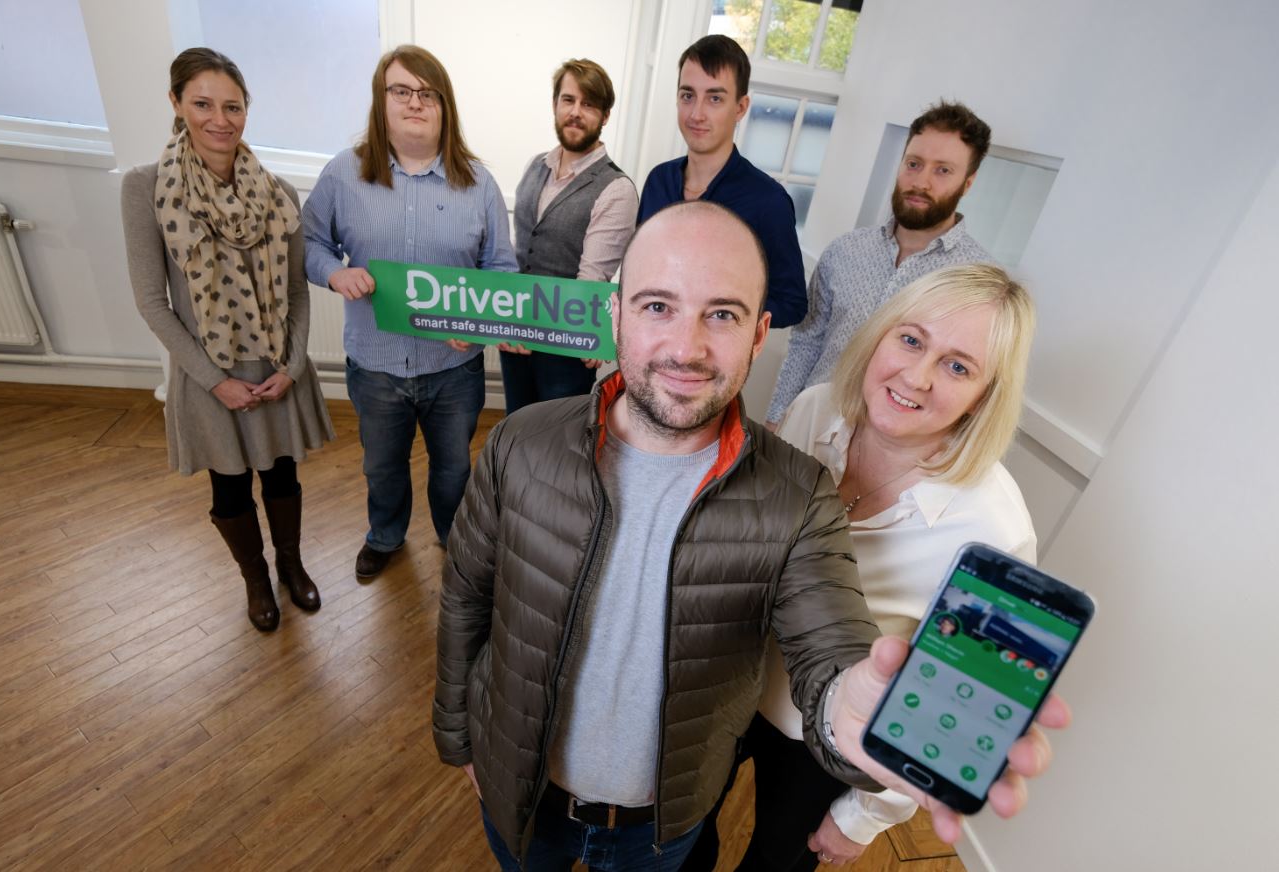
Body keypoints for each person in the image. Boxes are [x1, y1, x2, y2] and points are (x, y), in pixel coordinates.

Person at [432, 205, 1067, 872]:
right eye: (657, 305)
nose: (686, 347)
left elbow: (830, 634)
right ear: (614, 312)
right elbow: (465, 599)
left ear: (759, 333)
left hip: (673, 809)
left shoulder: (808, 495)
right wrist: (460, 738)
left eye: (722, 314)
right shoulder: (520, 444)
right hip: (528, 794)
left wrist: (851, 715)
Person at [691, 264, 1038, 871]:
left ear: (987, 394)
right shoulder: (814, 408)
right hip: (730, 681)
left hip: (828, 739)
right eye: (911, 339)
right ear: (879, 334)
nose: (917, 376)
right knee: (686, 838)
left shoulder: (997, 535)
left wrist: (863, 818)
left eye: (958, 366)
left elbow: (945, 716)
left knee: (775, 860)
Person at [121, 48, 333, 633]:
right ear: (176, 104)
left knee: (284, 478)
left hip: (275, 367)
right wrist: (215, 381)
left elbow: (296, 293)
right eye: (203, 104)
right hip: (207, 374)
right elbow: (151, 302)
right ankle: (256, 579)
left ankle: (291, 565)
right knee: (231, 484)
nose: (221, 119)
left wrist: (291, 365)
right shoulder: (146, 189)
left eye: (233, 106)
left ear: (247, 110)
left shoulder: (279, 192)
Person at [302, 45, 517, 578]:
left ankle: (454, 538)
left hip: (454, 369)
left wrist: (479, 326)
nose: (415, 103)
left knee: (452, 469)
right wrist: (334, 272)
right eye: (402, 91)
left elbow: (501, 270)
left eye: (428, 93)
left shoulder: (479, 184)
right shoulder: (343, 174)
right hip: (375, 364)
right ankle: (386, 535)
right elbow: (308, 243)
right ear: (382, 101)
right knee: (382, 467)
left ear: (445, 106)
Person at [766, 101, 995, 426]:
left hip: (890, 453)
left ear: (967, 183)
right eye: (914, 164)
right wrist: (779, 418)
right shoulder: (845, 251)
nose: (922, 182)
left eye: (943, 170)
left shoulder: (978, 282)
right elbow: (807, 342)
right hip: (809, 427)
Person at [636, 35, 807, 329]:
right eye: (688, 95)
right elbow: (638, 267)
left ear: (741, 107)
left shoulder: (768, 201)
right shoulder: (658, 180)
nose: (696, 113)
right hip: (647, 347)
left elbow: (792, 303)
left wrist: (721, 311)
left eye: (714, 98)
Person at [498, 58, 637, 413]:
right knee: (514, 431)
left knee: (554, 447)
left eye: (589, 104)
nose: (576, 112)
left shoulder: (616, 189)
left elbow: (591, 278)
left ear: (605, 116)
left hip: (566, 348)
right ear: (555, 104)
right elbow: (518, 253)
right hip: (516, 336)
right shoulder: (536, 165)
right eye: (568, 100)